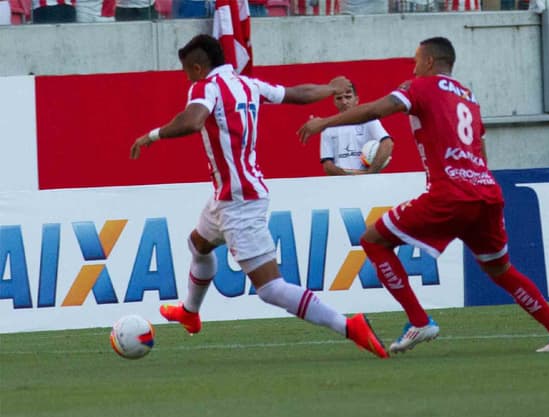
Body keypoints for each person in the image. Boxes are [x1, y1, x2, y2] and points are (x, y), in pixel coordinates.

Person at [298, 37, 549, 354]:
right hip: (485, 193)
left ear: (430, 62)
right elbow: (480, 148)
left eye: (416, 61)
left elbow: (373, 111)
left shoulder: (422, 88)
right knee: (501, 271)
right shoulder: (468, 96)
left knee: (372, 240)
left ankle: (419, 321)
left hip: (449, 193)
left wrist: (324, 122)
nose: (414, 67)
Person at [130, 34, 388, 359]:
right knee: (198, 244)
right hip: (227, 196)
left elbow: (194, 120)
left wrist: (152, 135)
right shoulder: (247, 85)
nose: (187, 78)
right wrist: (330, 89)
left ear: (197, 67)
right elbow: (296, 94)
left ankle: (349, 326)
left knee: (271, 289)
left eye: (187, 71)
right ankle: (190, 312)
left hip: (240, 202)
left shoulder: (204, 87)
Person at [320, 82, 393, 176]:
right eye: (339, 98)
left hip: (368, 182)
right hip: (341, 183)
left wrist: (371, 172)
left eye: (348, 97)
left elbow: (387, 144)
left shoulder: (369, 120)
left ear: (356, 99)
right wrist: (353, 175)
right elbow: (327, 166)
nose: (344, 101)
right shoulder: (328, 127)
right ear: (334, 102)